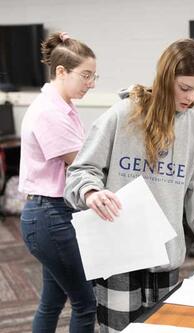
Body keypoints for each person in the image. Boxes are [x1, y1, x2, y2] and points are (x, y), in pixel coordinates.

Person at [64, 38, 194, 331]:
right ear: (165, 78)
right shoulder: (122, 115)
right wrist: (91, 191)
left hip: (164, 265)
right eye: (185, 88)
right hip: (118, 261)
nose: (191, 98)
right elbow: (80, 171)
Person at [18, 32, 97, 332]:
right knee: (85, 303)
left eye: (93, 76)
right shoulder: (49, 112)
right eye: (85, 75)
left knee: (53, 302)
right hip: (50, 217)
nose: (90, 83)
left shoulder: (62, 106)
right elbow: (80, 163)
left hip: (51, 215)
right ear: (61, 72)